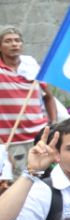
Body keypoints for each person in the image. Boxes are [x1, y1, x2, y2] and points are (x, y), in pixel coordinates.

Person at [0, 25, 55, 175]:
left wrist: (53, 124)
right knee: (13, 183)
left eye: (17, 40)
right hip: (9, 141)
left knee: (43, 179)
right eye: (8, 41)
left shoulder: (31, 65)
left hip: (38, 137)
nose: (14, 44)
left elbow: (48, 97)